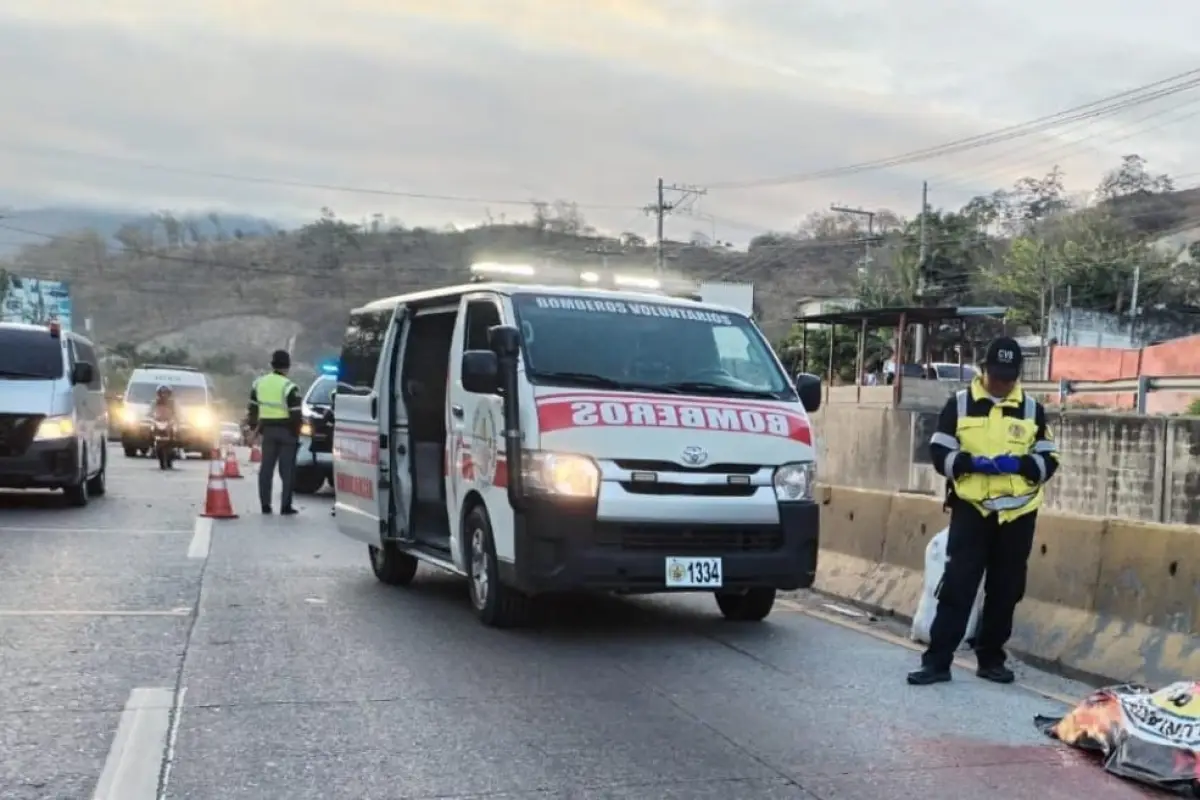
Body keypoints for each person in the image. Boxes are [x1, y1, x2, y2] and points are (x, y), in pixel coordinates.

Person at [908, 337, 1060, 686]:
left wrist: (1022, 464)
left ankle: (991, 659)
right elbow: (938, 452)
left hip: (1018, 514)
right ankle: (937, 662)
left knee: (1006, 589)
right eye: (996, 375)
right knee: (957, 586)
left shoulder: (1032, 410)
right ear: (984, 369)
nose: (1002, 384)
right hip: (972, 510)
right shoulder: (960, 405)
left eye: (1009, 378)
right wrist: (968, 464)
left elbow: (1049, 459)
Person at [247, 349, 303, 515]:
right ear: (288, 366)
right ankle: (285, 506)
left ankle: (265, 505)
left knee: (266, 469)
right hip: (287, 432)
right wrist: (296, 433)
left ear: (272, 365)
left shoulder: (259, 384)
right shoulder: (289, 387)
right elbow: (296, 414)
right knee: (287, 471)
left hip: (267, 432)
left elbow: (252, 409)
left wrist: (254, 430)